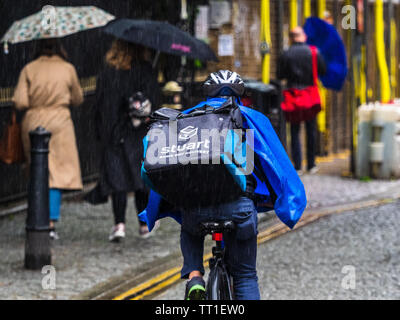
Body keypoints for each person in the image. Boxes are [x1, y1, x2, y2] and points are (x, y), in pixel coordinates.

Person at [139, 70, 307, 300]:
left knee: (190, 230)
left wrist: (154, 209)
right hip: (238, 210)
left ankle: (195, 277)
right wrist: (288, 202)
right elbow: (272, 163)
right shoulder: (247, 118)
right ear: (240, 93)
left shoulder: (187, 119)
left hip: (196, 210)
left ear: (207, 93)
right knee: (246, 275)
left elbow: (169, 167)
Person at [12, 39, 84, 240]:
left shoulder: (29, 69)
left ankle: (36, 216)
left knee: (38, 171)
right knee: (57, 174)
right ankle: (50, 221)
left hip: (34, 122)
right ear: (59, 47)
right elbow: (78, 98)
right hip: (61, 122)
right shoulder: (67, 68)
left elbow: (20, 101)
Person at [91, 39, 161, 241]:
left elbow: (99, 104)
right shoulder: (146, 70)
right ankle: (143, 225)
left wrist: (100, 131)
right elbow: (154, 101)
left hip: (114, 131)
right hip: (138, 132)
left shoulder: (108, 72)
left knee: (117, 180)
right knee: (140, 179)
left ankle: (119, 225)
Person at [277, 26, 326, 175]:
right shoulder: (313, 52)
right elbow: (322, 70)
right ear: (303, 36)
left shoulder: (286, 54)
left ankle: (298, 165)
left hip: (293, 96)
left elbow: (280, 75)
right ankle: (311, 164)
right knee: (311, 130)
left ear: (291, 38)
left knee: (294, 130)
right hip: (310, 96)